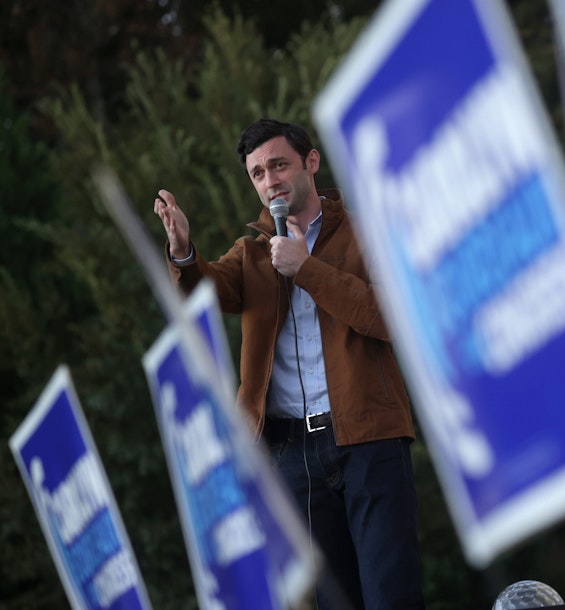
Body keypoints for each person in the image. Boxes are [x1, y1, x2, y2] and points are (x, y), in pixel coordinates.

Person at [154, 118, 426, 610]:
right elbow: (202, 294)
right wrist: (182, 252)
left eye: (278, 164)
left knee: (392, 594)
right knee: (333, 599)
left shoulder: (367, 231)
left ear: (312, 163)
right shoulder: (254, 253)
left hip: (370, 437)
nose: (269, 181)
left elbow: (394, 318)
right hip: (289, 452)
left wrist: (307, 268)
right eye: (257, 173)